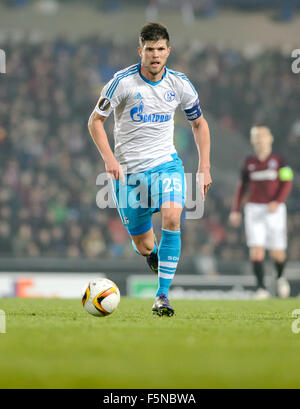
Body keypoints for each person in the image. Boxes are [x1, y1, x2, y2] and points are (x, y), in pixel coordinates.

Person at [88, 22, 212, 316]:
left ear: (168, 51)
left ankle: (162, 297)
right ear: (140, 51)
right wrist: (109, 159)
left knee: (172, 216)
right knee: (144, 246)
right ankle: (153, 254)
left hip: (166, 164)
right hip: (128, 174)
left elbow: (199, 123)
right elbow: (95, 121)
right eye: (149, 49)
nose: (155, 55)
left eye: (160, 49)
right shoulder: (122, 83)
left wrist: (204, 166)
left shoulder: (179, 83)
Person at [229, 126, 293, 299]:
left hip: (275, 210)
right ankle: (261, 288)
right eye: (256, 137)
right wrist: (235, 210)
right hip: (254, 209)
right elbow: (241, 187)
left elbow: (287, 182)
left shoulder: (280, 160)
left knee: (277, 252)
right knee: (256, 250)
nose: (259, 140)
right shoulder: (249, 162)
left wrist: (278, 201)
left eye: (262, 136)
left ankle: (280, 277)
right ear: (252, 140)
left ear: (270, 138)